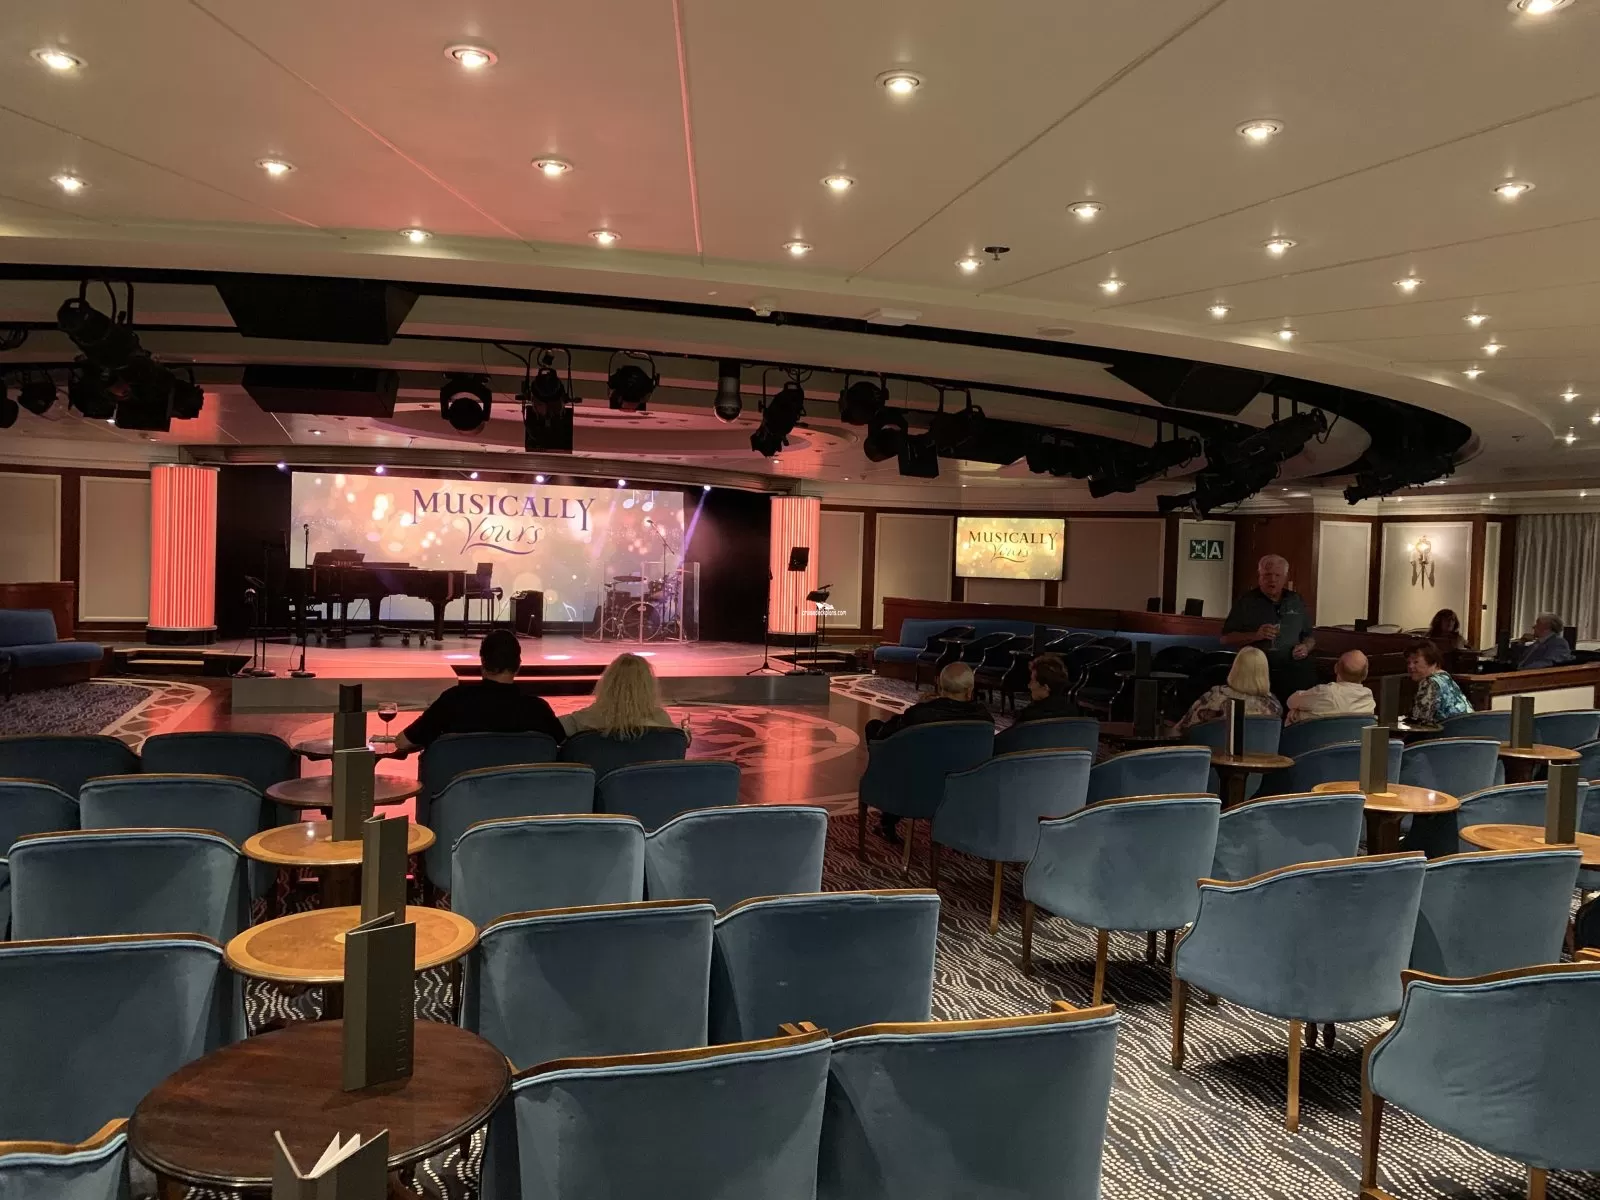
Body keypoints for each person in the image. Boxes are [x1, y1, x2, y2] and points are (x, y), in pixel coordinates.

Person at [867, 661, 993, 841]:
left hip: (919, 787)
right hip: (965, 788)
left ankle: (888, 817)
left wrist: (919, 707)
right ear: (970, 691)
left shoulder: (921, 714)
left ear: (940, 686)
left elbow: (884, 734)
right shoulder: (984, 718)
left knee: (874, 728)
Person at [394, 628, 564, 754]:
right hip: (522, 792)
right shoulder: (538, 709)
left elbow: (403, 742)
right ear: (518, 665)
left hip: (459, 791)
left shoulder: (453, 700)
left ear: (482, 662)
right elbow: (563, 745)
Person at [1220, 555, 1316, 700]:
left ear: (1285, 578)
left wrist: (1306, 647)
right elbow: (1225, 639)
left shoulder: (1296, 600)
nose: (1272, 580)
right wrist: (1255, 635)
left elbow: (1309, 637)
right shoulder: (1246, 602)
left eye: (1277, 575)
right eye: (1267, 575)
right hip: (1256, 673)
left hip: (1292, 670)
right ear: (1259, 576)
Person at [561, 652, 685, 740]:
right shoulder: (662, 722)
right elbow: (680, 739)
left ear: (608, 683)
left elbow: (553, 729)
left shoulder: (584, 719)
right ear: (649, 686)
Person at [1175, 646, 1282, 733]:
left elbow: (1182, 728)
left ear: (1235, 668)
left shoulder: (1215, 697)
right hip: (1261, 753)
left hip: (1211, 751)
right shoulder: (1274, 707)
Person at [1284, 650, 1377, 725]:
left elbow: (1291, 701)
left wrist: (1296, 713)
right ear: (1365, 675)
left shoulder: (1325, 692)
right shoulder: (1368, 697)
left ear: (1336, 668)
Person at [1405, 639, 1472, 726]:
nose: (1410, 666)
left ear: (1433, 662)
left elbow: (1419, 721)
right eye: (1408, 662)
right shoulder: (1444, 676)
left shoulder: (1430, 682)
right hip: (1468, 729)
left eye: (1416, 662)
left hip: (1452, 732)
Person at [1010, 653, 1078, 724]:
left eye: (1032, 681)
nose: (1029, 686)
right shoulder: (1074, 711)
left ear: (1046, 688)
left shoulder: (1027, 717)